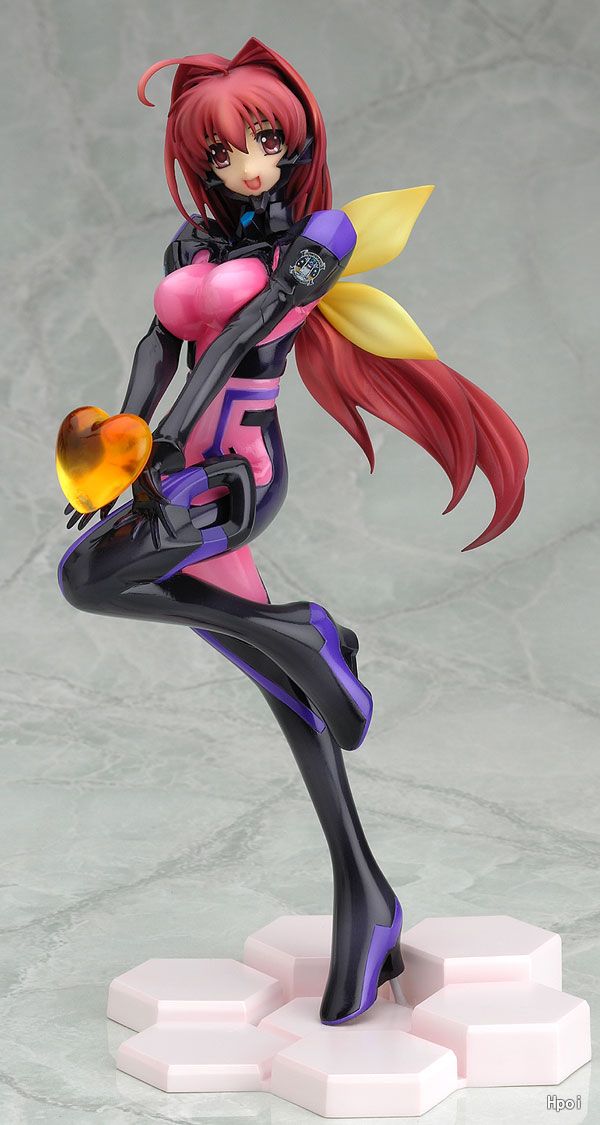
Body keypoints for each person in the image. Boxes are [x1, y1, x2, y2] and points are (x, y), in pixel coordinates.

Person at [57, 36, 528, 1024]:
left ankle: (304, 631)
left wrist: (168, 445)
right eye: (222, 151)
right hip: (173, 470)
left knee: (87, 579)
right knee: (285, 695)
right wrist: (118, 447)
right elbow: (158, 343)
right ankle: (368, 898)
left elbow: (239, 334)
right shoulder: (191, 243)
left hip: (236, 473)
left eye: (263, 142)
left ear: (295, 140)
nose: (246, 165)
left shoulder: (321, 234)